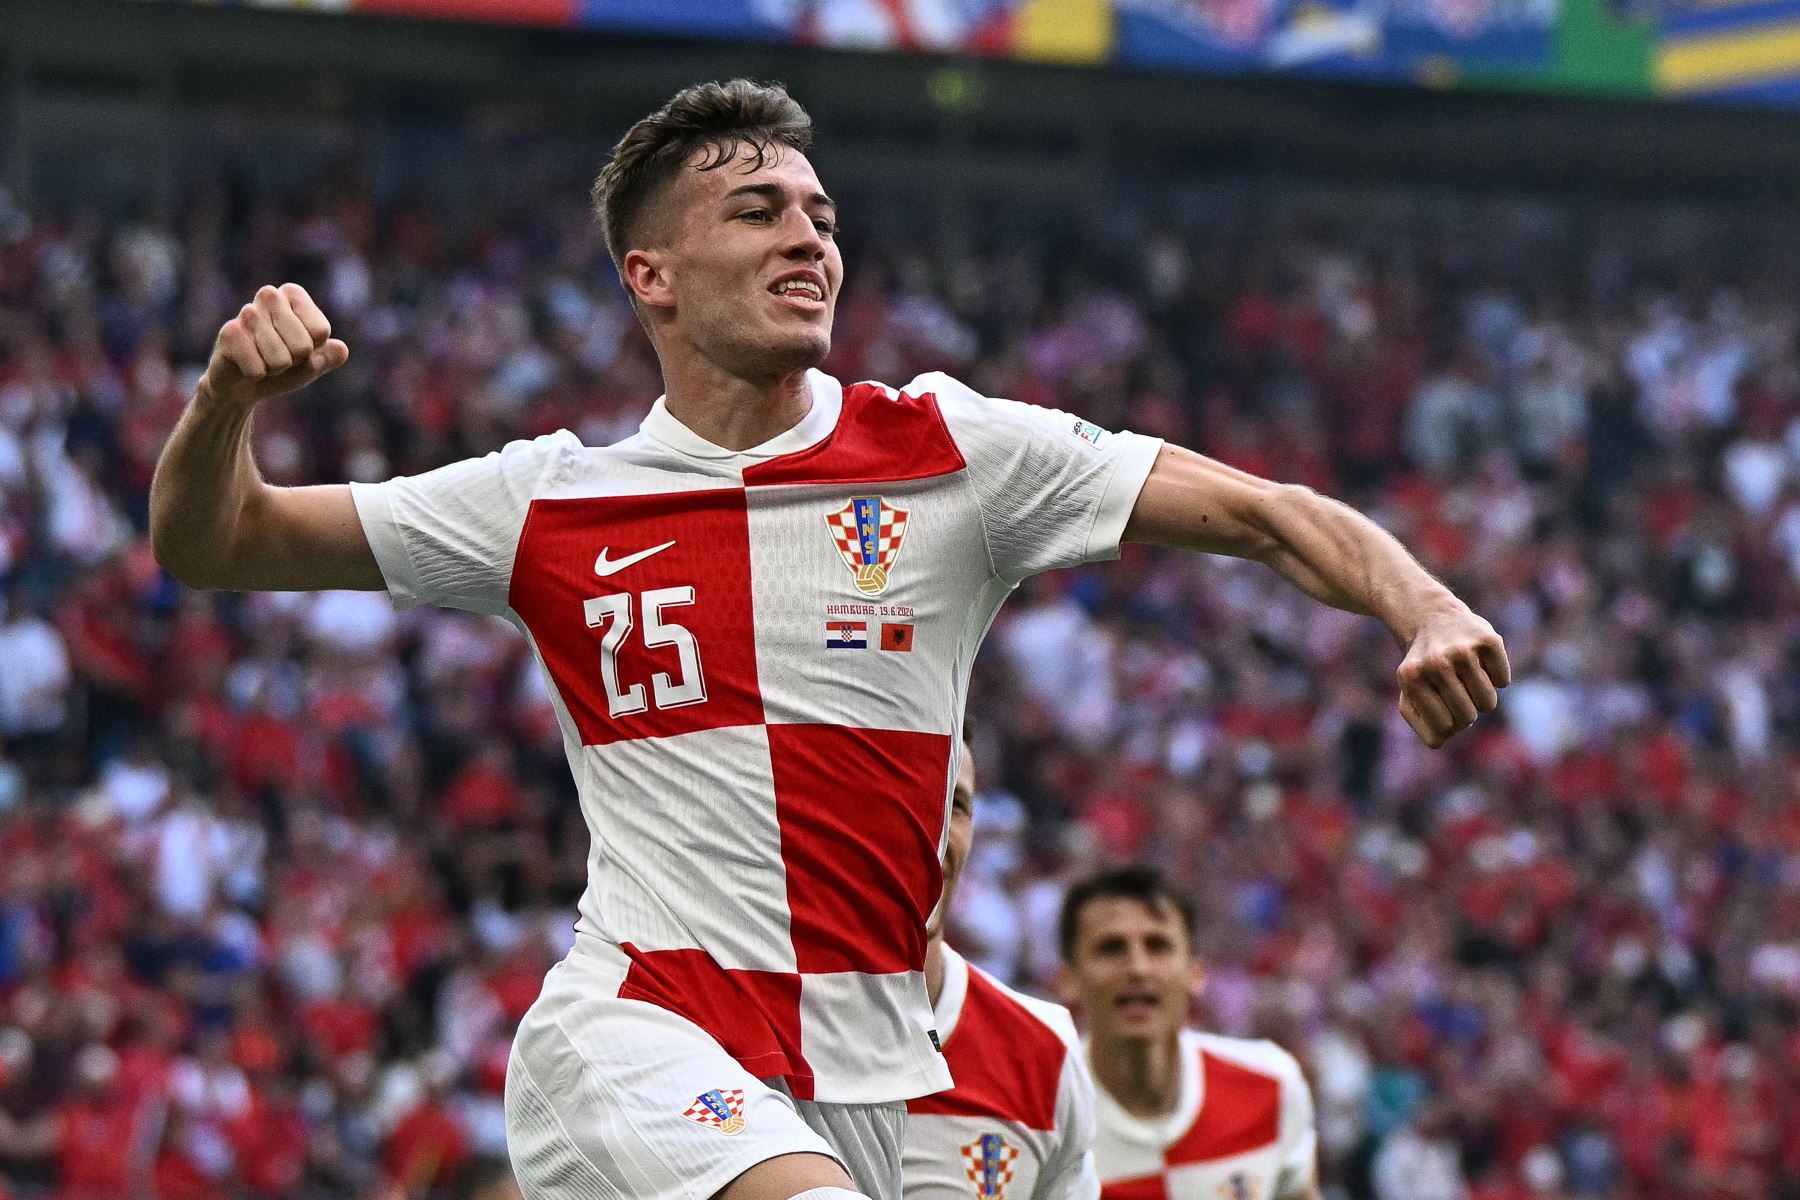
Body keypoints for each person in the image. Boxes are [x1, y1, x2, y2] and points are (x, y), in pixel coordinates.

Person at [148, 78, 1507, 1200]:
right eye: (759, 213)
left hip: (859, 1080)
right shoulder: (547, 504)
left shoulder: (957, 453)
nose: (811, 241)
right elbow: (221, 543)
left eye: (820, 214)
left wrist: (1425, 605)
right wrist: (223, 401)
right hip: (638, 1031)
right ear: (653, 277)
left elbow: (1266, 513)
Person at [903, 732, 1097, 1200]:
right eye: (911, 795)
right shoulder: (756, 1035)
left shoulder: (1043, 1050)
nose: (935, 830)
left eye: (957, 806)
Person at [1059, 867, 1320, 1200]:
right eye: (1111, 948)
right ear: (1068, 980)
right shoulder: (1044, 1113)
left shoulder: (1270, 1083)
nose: (1138, 968)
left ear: (1195, 973)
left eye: (1158, 945)